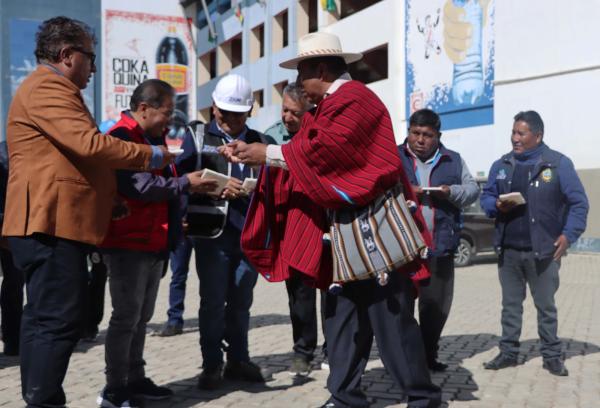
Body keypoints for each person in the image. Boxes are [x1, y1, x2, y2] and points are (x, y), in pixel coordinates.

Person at [222, 32, 441, 408]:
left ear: (320, 69)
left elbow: (329, 153)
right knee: (341, 318)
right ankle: (344, 396)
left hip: (372, 232)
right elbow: (304, 152)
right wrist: (259, 155)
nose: (299, 84)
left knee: (390, 319)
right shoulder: (328, 106)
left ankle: (422, 398)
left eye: (302, 72)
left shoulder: (355, 100)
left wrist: (269, 153)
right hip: (340, 235)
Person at [2, 17, 173, 408]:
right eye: (90, 57)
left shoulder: (52, 89)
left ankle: (40, 398)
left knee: (43, 320)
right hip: (49, 223)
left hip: (51, 222)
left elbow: (69, 158)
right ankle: (44, 401)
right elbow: (90, 145)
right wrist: (154, 155)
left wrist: (107, 199)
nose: (93, 67)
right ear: (66, 55)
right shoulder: (48, 86)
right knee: (58, 322)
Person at [97, 79, 217, 408]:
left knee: (141, 317)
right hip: (127, 242)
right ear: (144, 108)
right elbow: (139, 186)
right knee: (125, 317)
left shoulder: (153, 137)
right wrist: (185, 184)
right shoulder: (121, 136)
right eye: (166, 112)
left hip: (153, 240)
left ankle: (135, 378)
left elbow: (161, 181)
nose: (170, 119)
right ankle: (114, 387)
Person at [176, 74, 273, 390]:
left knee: (242, 301)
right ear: (214, 107)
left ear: (250, 110)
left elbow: (273, 186)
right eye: (223, 112)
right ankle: (212, 364)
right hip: (211, 235)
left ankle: (239, 360)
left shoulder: (260, 142)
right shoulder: (196, 134)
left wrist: (254, 189)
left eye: (237, 114)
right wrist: (217, 187)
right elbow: (182, 180)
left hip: (249, 234)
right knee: (213, 302)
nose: (229, 120)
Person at [481, 110, 588, 377]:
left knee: (546, 307)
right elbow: (486, 197)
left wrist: (568, 235)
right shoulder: (502, 164)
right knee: (510, 306)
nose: (515, 138)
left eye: (521, 133)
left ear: (537, 136)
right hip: (509, 252)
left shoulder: (558, 164)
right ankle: (508, 353)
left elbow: (579, 204)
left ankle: (552, 355)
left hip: (544, 252)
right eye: (513, 132)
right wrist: (494, 204)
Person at [399, 109, 479, 371]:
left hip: (440, 247)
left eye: (427, 135)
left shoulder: (453, 160)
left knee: (436, 308)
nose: (420, 139)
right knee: (400, 307)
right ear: (409, 131)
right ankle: (404, 359)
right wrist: (407, 192)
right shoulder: (393, 157)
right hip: (403, 250)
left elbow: (472, 189)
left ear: (438, 136)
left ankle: (428, 355)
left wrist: (451, 192)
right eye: (415, 133)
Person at [266, 84, 323, 375]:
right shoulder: (271, 137)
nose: (287, 117)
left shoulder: (320, 137)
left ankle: (334, 349)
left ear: (309, 112)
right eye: (284, 109)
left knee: (332, 294)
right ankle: (303, 350)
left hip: (324, 227)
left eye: (294, 112)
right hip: (290, 228)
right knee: (299, 295)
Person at [0, 140, 24, 357]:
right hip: (9, 225)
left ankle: (12, 339)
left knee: (14, 283)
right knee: (13, 284)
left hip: (10, 226)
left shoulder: (9, 151)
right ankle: (12, 339)